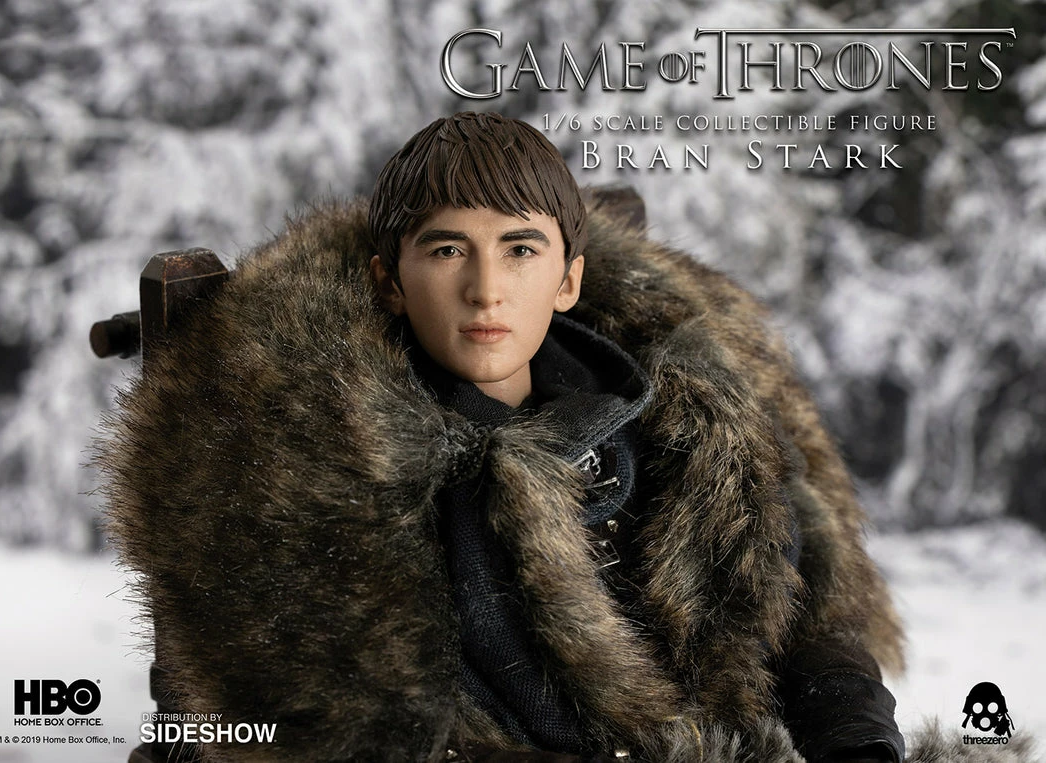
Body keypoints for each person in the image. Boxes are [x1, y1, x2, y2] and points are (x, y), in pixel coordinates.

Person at [101, 112, 908, 762]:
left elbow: (799, 613)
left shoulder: (686, 434)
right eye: (447, 249)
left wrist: (855, 738)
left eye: (520, 249)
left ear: (568, 279)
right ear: (390, 281)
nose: (485, 289)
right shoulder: (338, 477)